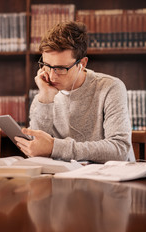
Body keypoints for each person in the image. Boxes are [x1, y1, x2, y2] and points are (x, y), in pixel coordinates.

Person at [15, 21, 135, 163]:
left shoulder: (110, 88)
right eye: (47, 66)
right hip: (63, 179)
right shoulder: (43, 95)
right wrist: (46, 99)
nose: (52, 76)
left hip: (108, 179)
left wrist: (55, 147)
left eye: (60, 68)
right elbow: (36, 150)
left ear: (82, 64)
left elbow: (119, 150)